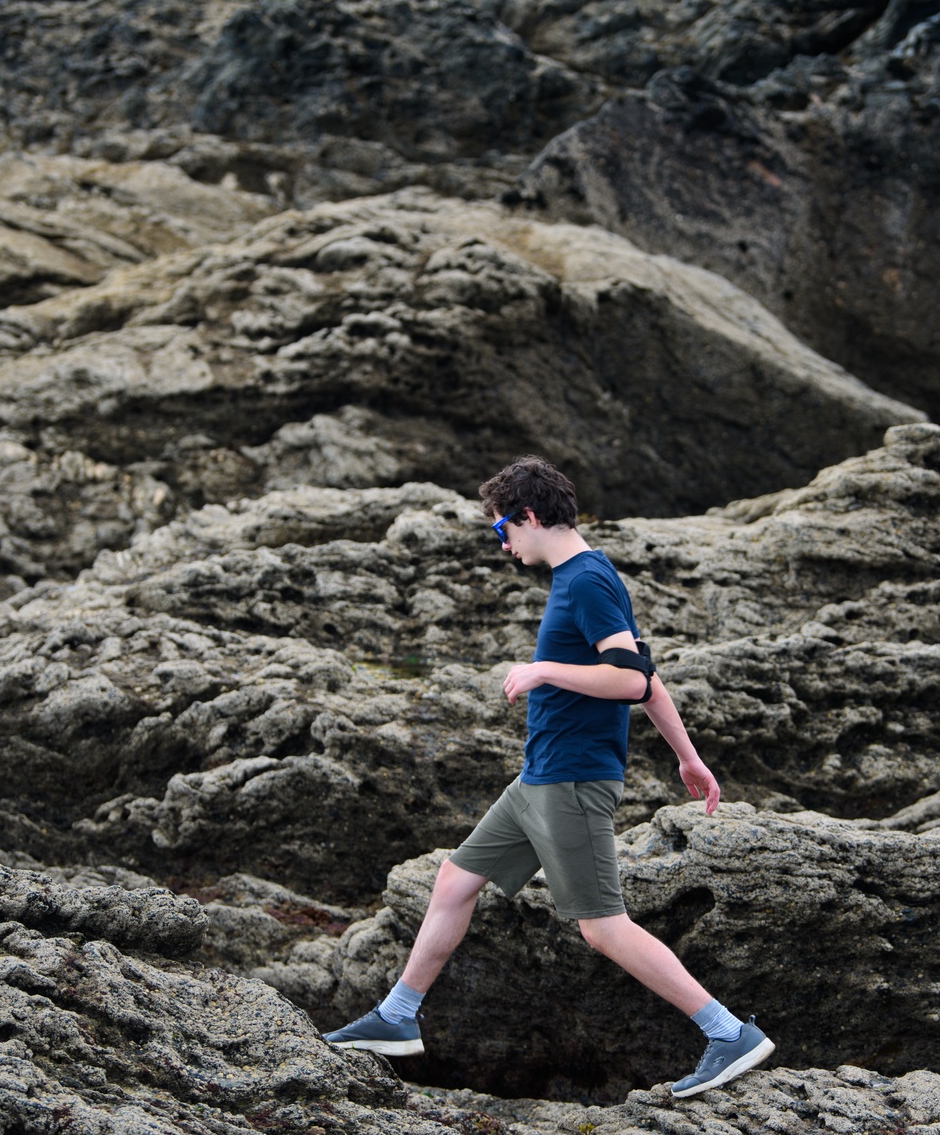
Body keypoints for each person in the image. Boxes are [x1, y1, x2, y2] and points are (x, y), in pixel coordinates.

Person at [323, 456, 775, 1099]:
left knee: (602, 925)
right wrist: (688, 756)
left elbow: (629, 680)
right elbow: (648, 677)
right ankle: (397, 1016)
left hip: (573, 780)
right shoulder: (582, 577)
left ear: (530, 516)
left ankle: (728, 1033)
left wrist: (542, 671)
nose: (503, 544)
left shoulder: (587, 580)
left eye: (501, 528)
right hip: (539, 777)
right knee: (455, 879)